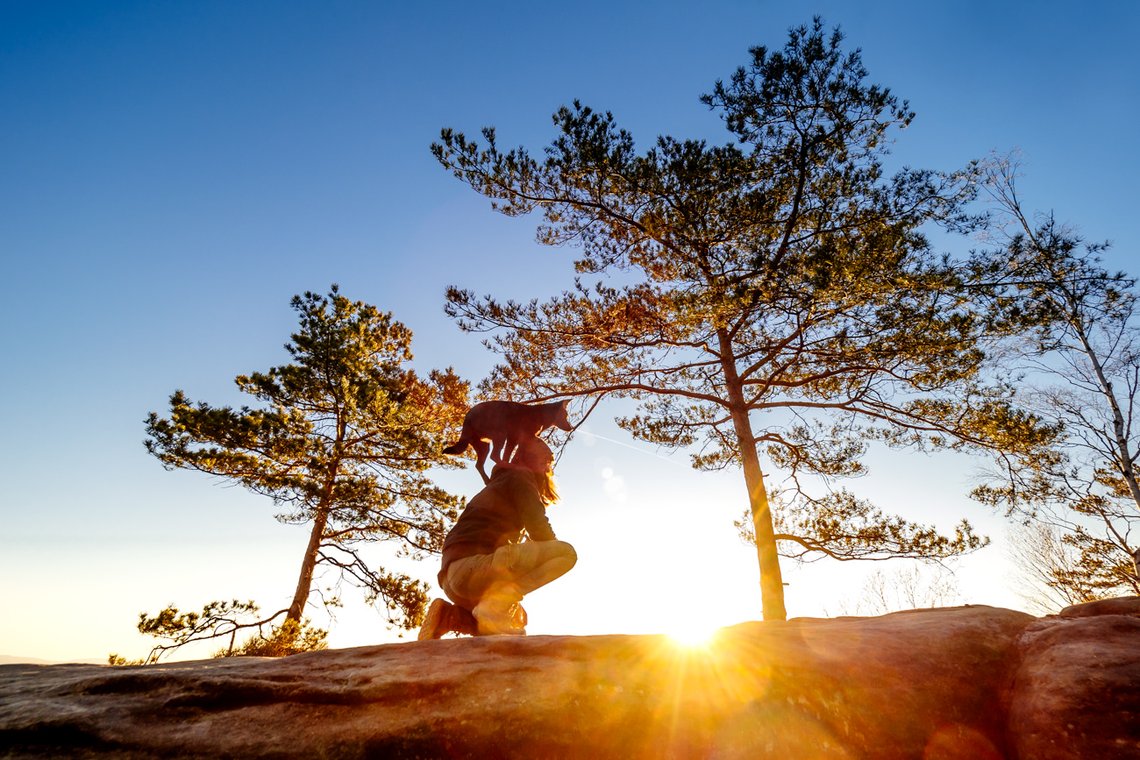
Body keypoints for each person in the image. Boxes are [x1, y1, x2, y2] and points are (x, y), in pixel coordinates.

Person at [418, 435, 577, 638]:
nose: (547, 469)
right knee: (565, 553)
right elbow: (539, 528)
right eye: (545, 461)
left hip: (453, 579)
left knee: (496, 626)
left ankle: (448, 615)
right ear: (525, 459)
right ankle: (495, 604)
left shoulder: (499, 484)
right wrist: (510, 595)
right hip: (475, 568)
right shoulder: (519, 477)